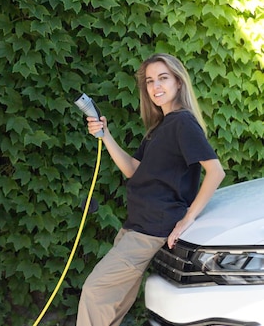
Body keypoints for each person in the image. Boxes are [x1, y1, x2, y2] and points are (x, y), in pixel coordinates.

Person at [76, 53, 226, 326]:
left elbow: (215, 171)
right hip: (136, 226)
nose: (156, 86)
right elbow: (133, 169)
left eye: (163, 78)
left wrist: (187, 219)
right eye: (149, 81)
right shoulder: (161, 126)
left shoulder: (183, 122)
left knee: (96, 292)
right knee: (113, 304)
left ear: (179, 83)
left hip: (150, 230)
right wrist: (105, 135)